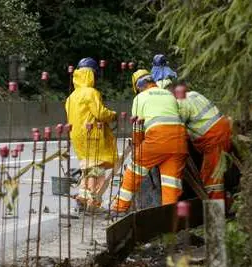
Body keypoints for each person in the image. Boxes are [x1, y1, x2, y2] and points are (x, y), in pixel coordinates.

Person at [111, 70, 188, 213]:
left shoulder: (140, 98)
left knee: (133, 172)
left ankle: (119, 208)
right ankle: (168, 216)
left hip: (157, 140)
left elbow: (138, 127)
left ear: (138, 87)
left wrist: (137, 147)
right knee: (170, 183)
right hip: (179, 141)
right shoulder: (168, 95)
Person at [65, 57, 117, 210]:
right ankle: (93, 203)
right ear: (92, 74)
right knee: (97, 170)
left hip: (77, 136)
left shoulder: (71, 97)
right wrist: (112, 115)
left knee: (87, 168)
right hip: (92, 135)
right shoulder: (91, 93)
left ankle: (83, 196)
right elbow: (100, 113)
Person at [174, 83, 232, 200]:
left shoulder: (179, 104)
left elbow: (177, 128)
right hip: (225, 129)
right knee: (219, 173)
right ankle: (227, 205)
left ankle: (216, 215)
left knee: (212, 179)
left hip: (214, 138)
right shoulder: (194, 95)